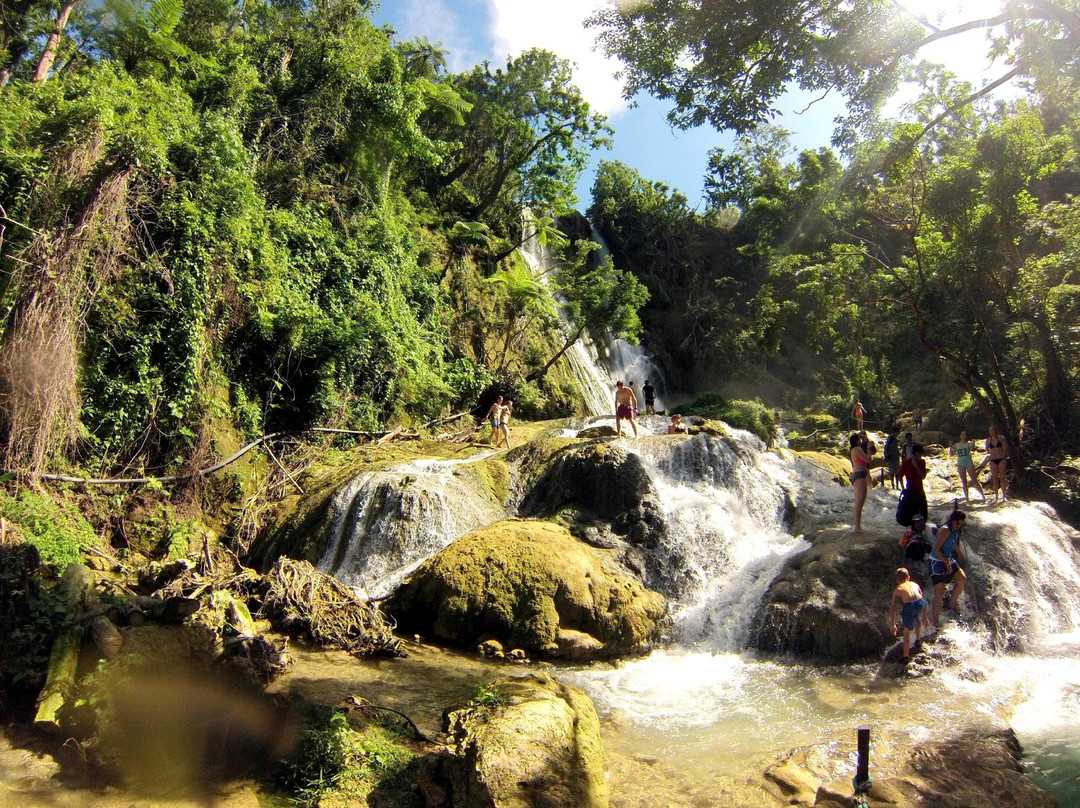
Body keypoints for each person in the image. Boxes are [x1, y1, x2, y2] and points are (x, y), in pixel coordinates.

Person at [928, 510, 969, 627]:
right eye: (957, 524)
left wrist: (959, 552)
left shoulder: (955, 531)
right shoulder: (945, 531)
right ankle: (935, 621)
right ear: (952, 521)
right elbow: (936, 548)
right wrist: (946, 562)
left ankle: (951, 604)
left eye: (961, 524)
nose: (958, 526)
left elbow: (952, 543)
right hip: (937, 561)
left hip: (948, 559)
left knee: (962, 579)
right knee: (939, 591)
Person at [889, 567, 928, 659]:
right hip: (921, 603)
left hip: (910, 606)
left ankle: (905, 656)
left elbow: (893, 607)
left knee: (906, 631)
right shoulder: (914, 584)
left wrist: (893, 624)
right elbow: (921, 598)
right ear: (908, 577)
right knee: (917, 618)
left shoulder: (897, 589)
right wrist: (925, 617)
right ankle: (918, 640)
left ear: (897, 580)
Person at [898, 443, 929, 524]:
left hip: (920, 491)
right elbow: (899, 476)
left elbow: (923, 476)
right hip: (910, 492)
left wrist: (916, 466)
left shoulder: (922, 462)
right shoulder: (906, 462)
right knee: (912, 515)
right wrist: (903, 488)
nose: (920, 456)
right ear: (915, 454)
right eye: (919, 454)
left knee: (924, 515)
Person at [951, 430, 985, 502]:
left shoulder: (968, 443)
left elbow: (972, 448)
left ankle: (982, 495)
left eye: (964, 435)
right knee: (964, 481)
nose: (963, 436)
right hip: (960, 463)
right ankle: (967, 498)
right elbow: (951, 454)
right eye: (962, 434)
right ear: (960, 436)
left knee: (974, 480)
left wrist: (973, 442)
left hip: (968, 462)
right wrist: (951, 446)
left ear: (966, 436)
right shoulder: (956, 445)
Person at [849, 433, 871, 533]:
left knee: (860, 501)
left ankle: (858, 526)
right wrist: (869, 449)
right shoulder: (856, 449)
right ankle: (857, 527)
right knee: (859, 501)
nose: (860, 441)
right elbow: (868, 459)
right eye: (859, 439)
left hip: (860, 474)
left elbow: (864, 463)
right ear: (857, 440)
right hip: (858, 475)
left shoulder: (857, 449)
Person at [985, 425, 1008, 502]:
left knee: (1002, 477)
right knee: (994, 478)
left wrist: (1003, 453)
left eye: (993, 430)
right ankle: (996, 495)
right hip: (992, 459)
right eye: (990, 431)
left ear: (995, 431)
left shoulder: (1001, 438)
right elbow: (987, 449)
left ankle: (1003, 495)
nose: (991, 432)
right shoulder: (988, 440)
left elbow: (1005, 447)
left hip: (1001, 458)